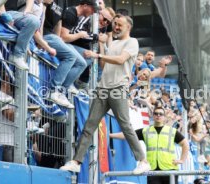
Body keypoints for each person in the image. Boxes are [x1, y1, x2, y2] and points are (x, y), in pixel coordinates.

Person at [60, 14, 151, 174]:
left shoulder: (132, 42)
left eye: (119, 24)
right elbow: (104, 63)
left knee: (125, 125)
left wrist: (98, 54)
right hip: (102, 88)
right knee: (89, 126)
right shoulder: (114, 42)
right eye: (115, 24)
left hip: (118, 88)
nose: (116, 26)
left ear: (128, 27)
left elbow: (120, 60)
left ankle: (142, 161)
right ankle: (76, 161)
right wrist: (102, 47)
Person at [110, 106, 189, 184]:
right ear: (153, 116)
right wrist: (110, 135)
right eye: (156, 113)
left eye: (161, 114)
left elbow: (185, 144)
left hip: (170, 169)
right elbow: (128, 135)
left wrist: (182, 160)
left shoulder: (172, 131)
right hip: (152, 170)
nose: (158, 115)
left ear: (164, 117)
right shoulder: (145, 131)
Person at [0, 0, 40, 70]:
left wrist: (27, 11)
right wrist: (3, 13)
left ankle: (18, 55)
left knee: (34, 21)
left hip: (12, 14)